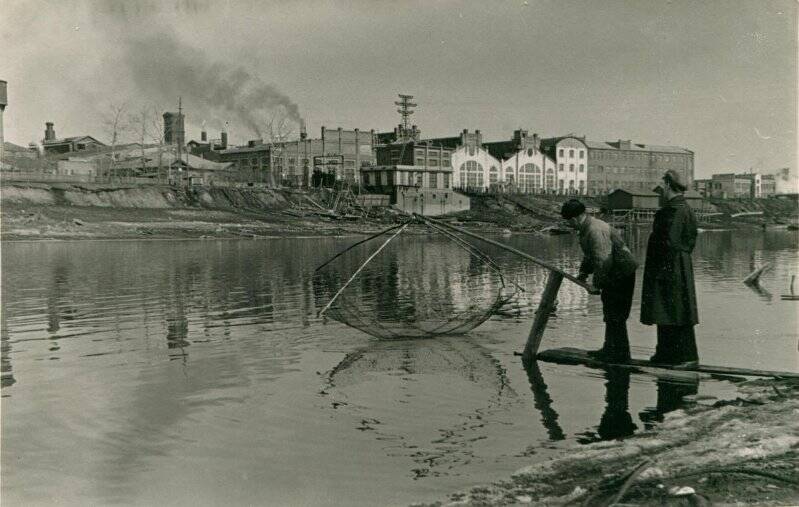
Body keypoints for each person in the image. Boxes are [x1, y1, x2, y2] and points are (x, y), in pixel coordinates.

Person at [561, 199, 638, 362]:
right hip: (613, 271)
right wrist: (583, 273)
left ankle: (619, 354)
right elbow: (591, 255)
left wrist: (596, 285)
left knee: (615, 314)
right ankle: (610, 348)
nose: (569, 225)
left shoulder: (594, 229)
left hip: (621, 273)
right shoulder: (587, 227)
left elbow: (603, 260)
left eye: (569, 222)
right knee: (610, 312)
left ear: (574, 219)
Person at [640, 169, 700, 368]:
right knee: (677, 311)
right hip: (679, 265)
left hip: (668, 267)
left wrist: (659, 270)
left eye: (661, 189)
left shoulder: (673, 210)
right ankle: (675, 355)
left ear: (667, 185)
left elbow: (669, 242)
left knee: (668, 310)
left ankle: (677, 356)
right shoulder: (686, 208)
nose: (660, 194)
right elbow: (688, 241)